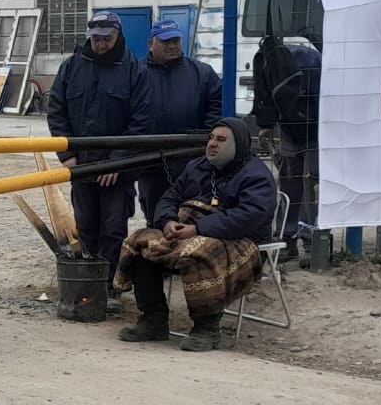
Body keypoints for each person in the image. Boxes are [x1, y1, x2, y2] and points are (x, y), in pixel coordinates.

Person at [113, 117, 276, 352]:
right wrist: (168, 221)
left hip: (239, 240)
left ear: (238, 144)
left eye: (221, 140)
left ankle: (207, 329)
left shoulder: (256, 176)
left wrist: (199, 229)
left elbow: (247, 217)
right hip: (189, 232)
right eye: (211, 138)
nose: (212, 144)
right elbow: (170, 196)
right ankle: (153, 320)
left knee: (199, 255)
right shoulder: (197, 166)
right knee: (142, 243)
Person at [47, 10, 151, 311]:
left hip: (117, 170)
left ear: (118, 36)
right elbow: (57, 111)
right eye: (95, 38)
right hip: (81, 166)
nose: (100, 44)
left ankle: (110, 285)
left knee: (113, 226)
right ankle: (88, 280)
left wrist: (117, 161)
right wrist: (67, 156)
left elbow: (141, 121)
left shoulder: (134, 70)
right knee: (87, 223)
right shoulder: (72, 68)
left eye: (106, 38)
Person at [136, 19, 222, 228]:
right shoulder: (135, 74)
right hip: (151, 162)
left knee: (193, 214)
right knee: (156, 217)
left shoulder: (202, 73)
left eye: (176, 40)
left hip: (192, 161)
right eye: (166, 42)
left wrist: (203, 139)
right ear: (151, 44)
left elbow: (216, 108)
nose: (172, 46)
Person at [253, 29, 322, 261]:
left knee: (310, 183)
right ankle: (287, 239)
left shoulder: (312, 64)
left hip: (316, 125)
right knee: (290, 183)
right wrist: (267, 124)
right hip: (290, 126)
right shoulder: (264, 62)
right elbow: (263, 97)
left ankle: (312, 242)